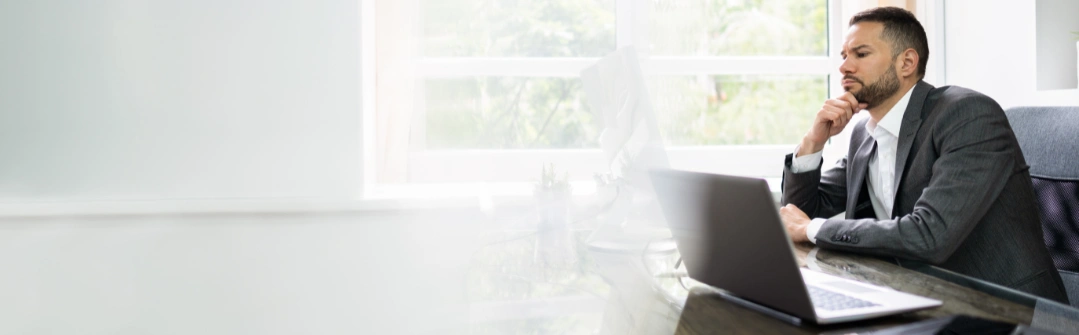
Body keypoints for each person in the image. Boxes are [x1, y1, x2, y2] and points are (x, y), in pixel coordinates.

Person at [779, 6, 1068, 303]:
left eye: (860, 54)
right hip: (911, 295)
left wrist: (812, 228)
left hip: (1000, 308)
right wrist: (813, 142)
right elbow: (798, 214)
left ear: (906, 62)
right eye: (844, 56)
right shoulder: (864, 134)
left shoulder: (966, 115)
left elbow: (930, 235)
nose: (844, 67)